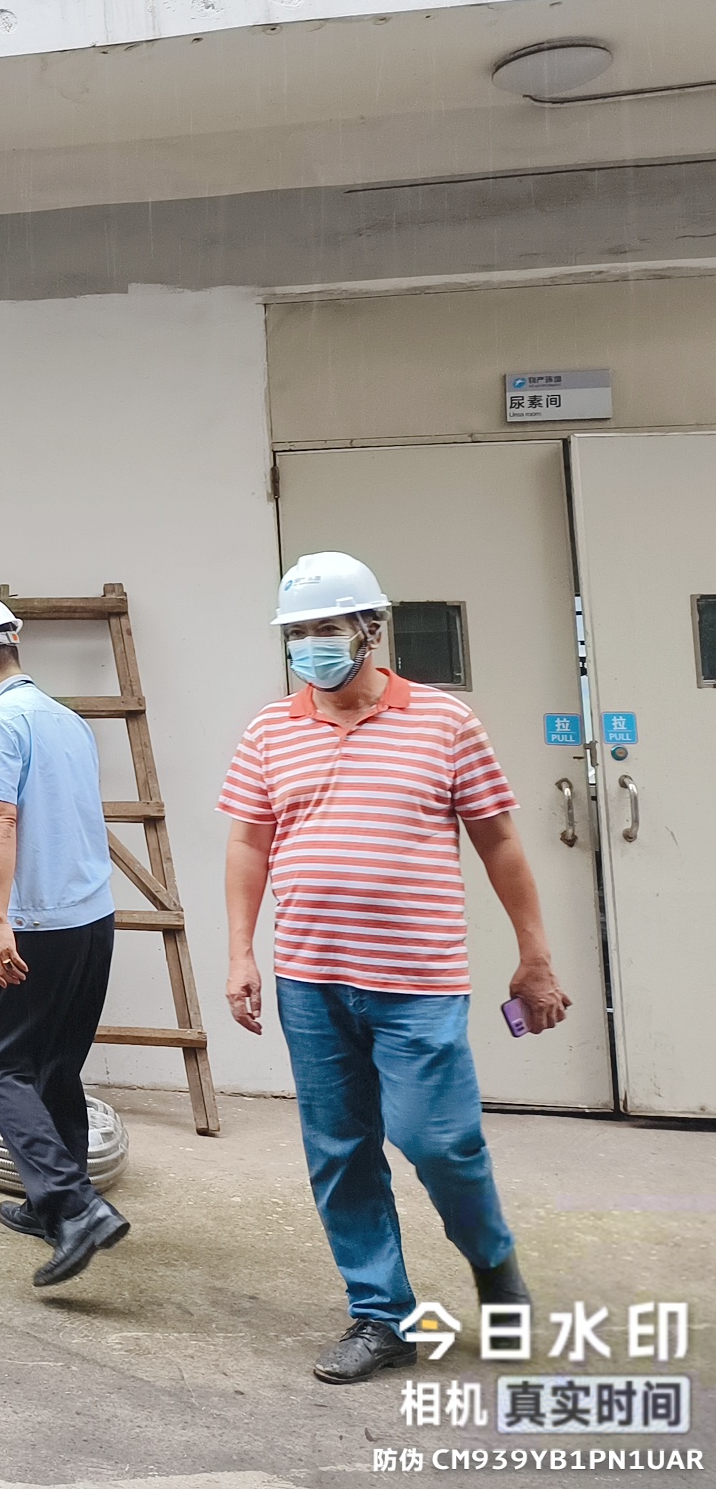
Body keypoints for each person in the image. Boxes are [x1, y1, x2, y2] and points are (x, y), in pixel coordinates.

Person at [220, 552, 567, 1384]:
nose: (309, 646)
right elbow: (248, 845)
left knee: (436, 1141)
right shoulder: (269, 731)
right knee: (340, 1150)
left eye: (325, 628)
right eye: (297, 632)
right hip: (311, 980)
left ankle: (494, 1266)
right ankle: (382, 1315)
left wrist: (535, 956)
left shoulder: (445, 722)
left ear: (370, 630)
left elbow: (499, 841)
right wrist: (240, 951)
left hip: (418, 981)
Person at [0, 593, 130, 1287]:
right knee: (56, 1064)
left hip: (34, 923)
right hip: (91, 919)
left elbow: (0, 818)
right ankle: (60, 1202)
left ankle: (72, 1208)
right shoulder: (66, 719)